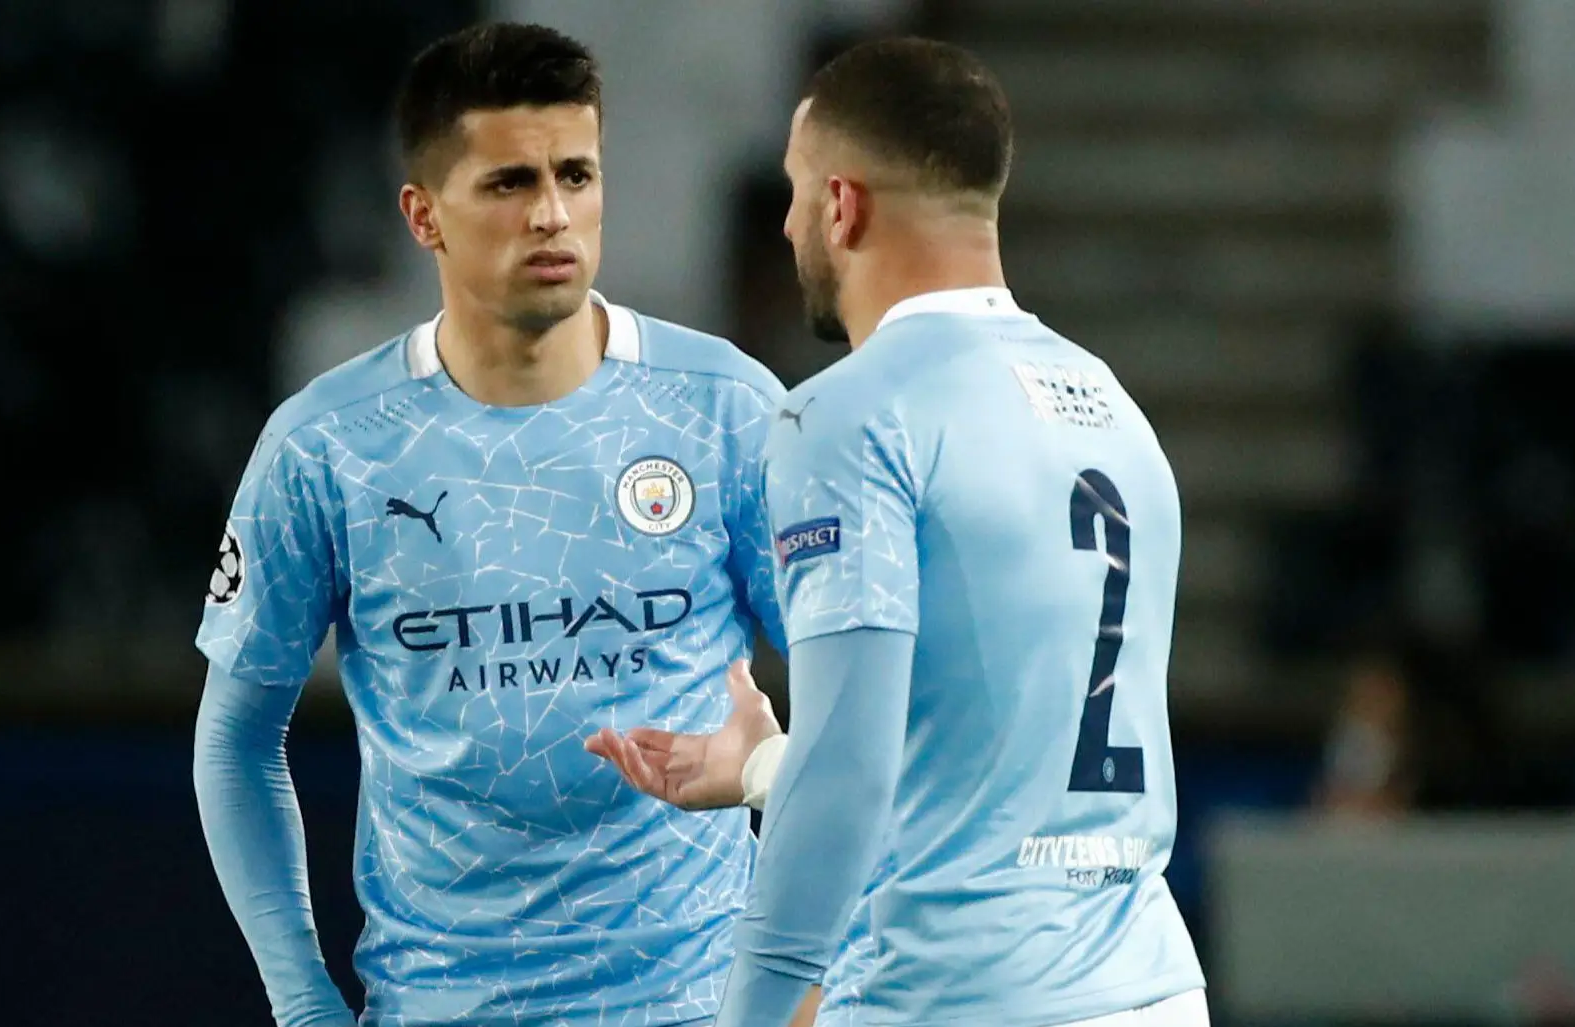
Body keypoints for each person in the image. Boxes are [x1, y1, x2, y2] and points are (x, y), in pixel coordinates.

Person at [191, 21, 858, 1027]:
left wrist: (809, 975)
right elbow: (236, 736)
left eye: (576, 175)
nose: (553, 214)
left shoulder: (722, 407)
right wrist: (302, 1002)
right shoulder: (329, 446)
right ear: (423, 216)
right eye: (508, 183)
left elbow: (856, 694)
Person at [590, 38, 1209, 1027]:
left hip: (953, 998)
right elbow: (1005, 764)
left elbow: (849, 773)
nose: (788, 220)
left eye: (795, 191)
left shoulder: (844, 416)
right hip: (1147, 990)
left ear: (841, 205)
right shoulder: (1106, 402)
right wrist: (756, 767)